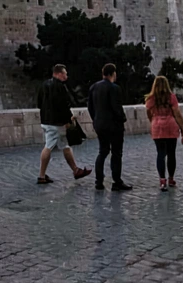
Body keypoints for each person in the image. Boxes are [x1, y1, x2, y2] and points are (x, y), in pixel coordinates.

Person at [36, 63, 92, 184]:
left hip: (46, 120)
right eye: (65, 74)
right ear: (60, 73)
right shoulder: (60, 87)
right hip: (56, 123)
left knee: (65, 146)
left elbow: (39, 103)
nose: (66, 76)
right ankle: (41, 176)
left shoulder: (44, 84)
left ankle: (76, 170)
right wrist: (68, 120)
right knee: (48, 147)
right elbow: (63, 105)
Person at [88, 63, 131, 191]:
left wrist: (96, 120)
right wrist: (123, 119)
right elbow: (116, 108)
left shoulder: (94, 87)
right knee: (116, 153)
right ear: (113, 74)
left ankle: (99, 181)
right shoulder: (114, 88)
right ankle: (116, 181)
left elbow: (90, 107)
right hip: (114, 126)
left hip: (100, 125)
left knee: (103, 151)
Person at [145, 75, 183, 191]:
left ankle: (162, 180)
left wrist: (153, 121)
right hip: (170, 125)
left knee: (160, 153)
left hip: (157, 126)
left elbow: (148, 112)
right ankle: (171, 178)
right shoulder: (171, 97)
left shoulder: (151, 99)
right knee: (171, 153)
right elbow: (177, 114)